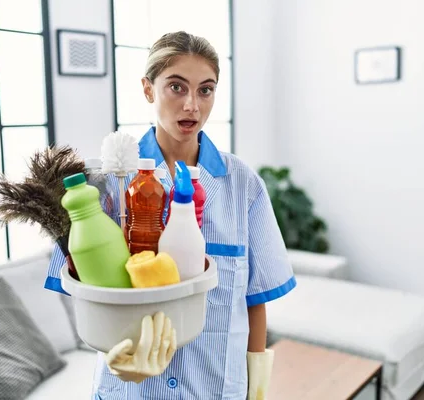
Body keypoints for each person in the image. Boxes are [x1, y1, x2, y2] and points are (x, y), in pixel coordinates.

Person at [45, 31, 296, 400]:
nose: (192, 106)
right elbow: (83, 291)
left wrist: (256, 388)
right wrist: (115, 356)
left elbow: (254, 299)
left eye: (205, 90)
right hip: (131, 392)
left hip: (215, 390)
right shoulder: (109, 185)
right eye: (177, 87)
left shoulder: (243, 184)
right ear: (148, 89)